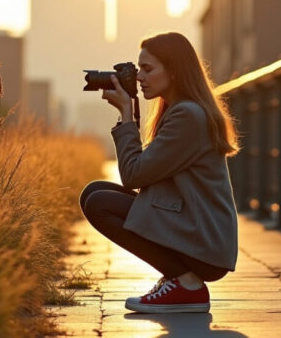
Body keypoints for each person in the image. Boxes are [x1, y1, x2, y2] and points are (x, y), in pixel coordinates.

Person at [79, 32, 239, 314]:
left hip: (205, 242)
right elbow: (145, 171)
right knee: (93, 192)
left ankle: (186, 284)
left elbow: (133, 175)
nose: (139, 77)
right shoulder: (181, 110)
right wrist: (131, 116)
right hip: (196, 229)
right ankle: (178, 278)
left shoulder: (187, 116)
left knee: (98, 204)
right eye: (139, 68)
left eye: (148, 69)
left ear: (174, 71)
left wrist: (126, 117)